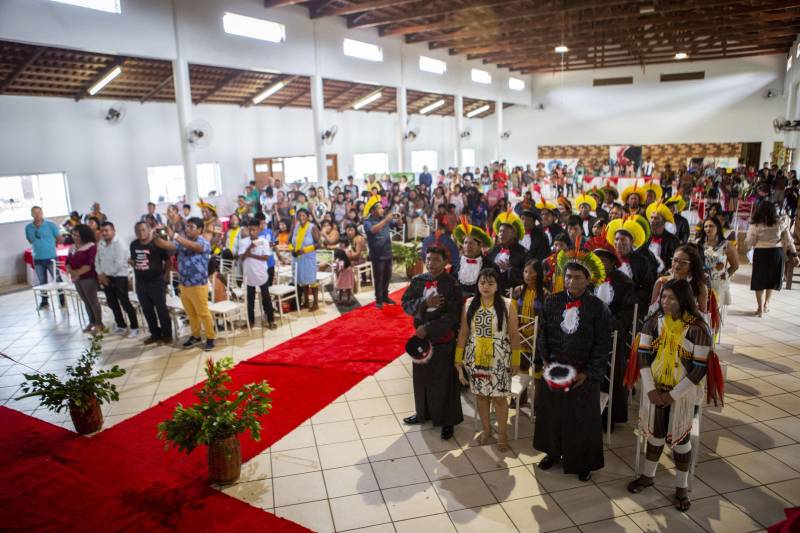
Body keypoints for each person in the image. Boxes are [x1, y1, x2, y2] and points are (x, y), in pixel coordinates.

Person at [625, 279, 721, 511]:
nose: (665, 302)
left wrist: (671, 396)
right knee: (655, 436)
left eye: (672, 298)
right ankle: (648, 476)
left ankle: (681, 487)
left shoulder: (698, 328)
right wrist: (650, 390)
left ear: (684, 300)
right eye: (663, 297)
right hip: (655, 389)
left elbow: (698, 370)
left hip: (683, 393)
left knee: (680, 440)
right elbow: (644, 357)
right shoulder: (653, 323)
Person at [534, 248, 611, 482]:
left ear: (588, 279)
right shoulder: (553, 301)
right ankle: (552, 453)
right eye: (568, 276)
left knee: (581, 419)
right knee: (552, 414)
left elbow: (601, 344)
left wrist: (587, 373)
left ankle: (582, 461)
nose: (571, 281)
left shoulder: (598, 307)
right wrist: (546, 361)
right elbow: (543, 334)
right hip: (555, 369)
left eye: (577, 277)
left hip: (583, 374)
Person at [401, 246, 464, 440]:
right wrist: (424, 303)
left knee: (444, 382)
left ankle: (447, 421)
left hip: (442, 339)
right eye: (428, 259)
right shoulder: (418, 281)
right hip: (421, 339)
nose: (431, 263)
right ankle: (423, 413)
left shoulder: (452, 284)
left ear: (446, 262)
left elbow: (453, 316)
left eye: (436, 260)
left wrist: (428, 328)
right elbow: (405, 303)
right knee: (422, 380)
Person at [455, 268, 521, 451]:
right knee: (481, 397)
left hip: (499, 358)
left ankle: (502, 435)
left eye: (490, 283)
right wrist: (458, 358)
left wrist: (516, 361)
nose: (485, 287)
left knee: (499, 398)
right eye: (482, 282)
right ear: (477, 284)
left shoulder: (508, 304)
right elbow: (463, 332)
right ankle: (486, 430)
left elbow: (515, 335)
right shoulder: (469, 304)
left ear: (497, 285)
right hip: (475, 357)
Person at [585, 234, 635, 427]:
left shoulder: (624, 283)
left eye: (605, 259)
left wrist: (608, 324)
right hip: (590, 336)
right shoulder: (589, 280)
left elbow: (626, 314)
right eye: (598, 260)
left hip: (613, 336)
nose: (602, 263)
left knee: (612, 374)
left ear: (613, 262)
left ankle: (609, 417)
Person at [155, 217, 216, 351]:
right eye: (187, 226)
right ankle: (196, 336)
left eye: (191, 227)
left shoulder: (203, 242)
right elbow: (166, 245)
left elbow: (195, 247)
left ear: (200, 230)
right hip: (184, 284)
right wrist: (154, 235)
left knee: (203, 313)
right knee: (191, 313)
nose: (187, 229)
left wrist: (175, 235)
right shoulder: (183, 242)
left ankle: (210, 337)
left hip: (198, 285)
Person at [745, 200, 798, 316]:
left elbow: (750, 241)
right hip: (776, 253)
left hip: (760, 253)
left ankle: (759, 308)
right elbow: (789, 240)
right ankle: (767, 304)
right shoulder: (780, 223)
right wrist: (795, 255)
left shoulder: (755, 225)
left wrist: (753, 245)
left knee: (759, 280)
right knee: (772, 280)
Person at [511, 258, 547, 410]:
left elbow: (546, 319)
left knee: (538, 369)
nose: (527, 275)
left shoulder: (545, 294)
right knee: (522, 367)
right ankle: (520, 396)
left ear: (538, 274)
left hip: (537, 338)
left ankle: (538, 400)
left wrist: (536, 336)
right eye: (525, 271)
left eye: (531, 272)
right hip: (520, 335)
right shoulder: (518, 290)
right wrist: (517, 333)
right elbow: (511, 314)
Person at [130, 222, 172, 344]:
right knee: (147, 310)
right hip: (141, 283)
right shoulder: (134, 244)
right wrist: (132, 262)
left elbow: (168, 261)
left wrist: (165, 277)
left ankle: (167, 334)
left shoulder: (157, 243)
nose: (141, 233)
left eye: (143, 230)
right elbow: (134, 259)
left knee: (161, 309)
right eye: (138, 231)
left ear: (149, 230)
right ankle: (155, 333)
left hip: (156, 281)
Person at [95, 222, 139, 338]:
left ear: (113, 231)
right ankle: (121, 325)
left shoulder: (119, 243)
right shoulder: (101, 243)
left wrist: (104, 275)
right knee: (112, 303)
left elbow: (119, 263)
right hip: (106, 277)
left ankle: (134, 327)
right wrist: (100, 274)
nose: (104, 233)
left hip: (119, 277)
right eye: (102, 230)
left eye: (107, 230)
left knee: (125, 303)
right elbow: (97, 260)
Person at [238, 220, 277, 329]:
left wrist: (251, 255)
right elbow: (242, 258)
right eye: (249, 229)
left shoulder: (263, 241)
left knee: (266, 297)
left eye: (254, 230)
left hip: (261, 273)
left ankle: (271, 320)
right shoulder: (243, 242)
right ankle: (250, 321)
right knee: (250, 300)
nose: (251, 232)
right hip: (249, 274)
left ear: (259, 230)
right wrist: (250, 248)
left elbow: (266, 257)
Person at [66, 224, 104, 334]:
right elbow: (67, 261)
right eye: (73, 235)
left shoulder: (91, 246)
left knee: (93, 301)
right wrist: (71, 272)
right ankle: (91, 322)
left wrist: (77, 273)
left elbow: (90, 264)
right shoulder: (72, 247)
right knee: (86, 301)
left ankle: (99, 323)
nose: (74, 237)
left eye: (77, 235)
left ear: (84, 235)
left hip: (88, 277)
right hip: (76, 278)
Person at [25, 206, 64, 309]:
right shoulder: (28, 227)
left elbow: (59, 238)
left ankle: (62, 301)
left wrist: (49, 246)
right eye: (34, 213)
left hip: (51, 257)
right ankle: (45, 302)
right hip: (37, 258)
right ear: (31, 214)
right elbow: (30, 240)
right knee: (42, 282)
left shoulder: (50, 225)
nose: (37, 215)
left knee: (58, 279)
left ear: (42, 213)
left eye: (39, 212)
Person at [363, 195, 398, 309]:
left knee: (387, 277)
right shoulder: (368, 222)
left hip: (388, 252)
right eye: (379, 208)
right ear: (372, 211)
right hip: (377, 254)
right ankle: (378, 300)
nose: (382, 209)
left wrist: (400, 218)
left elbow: (399, 224)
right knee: (379, 278)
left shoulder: (384, 219)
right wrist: (386, 220)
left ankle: (385, 296)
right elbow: (373, 230)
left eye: (382, 208)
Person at [697, 217, 739, 308]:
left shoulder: (727, 245)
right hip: (702, 282)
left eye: (711, 226)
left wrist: (725, 276)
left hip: (718, 283)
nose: (708, 229)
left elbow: (735, 265)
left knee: (715, 313)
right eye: (706, 226)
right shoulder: (699, 244)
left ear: (718, 228)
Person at [487, 211, 527, 295]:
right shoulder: (493, 250)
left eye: (504, 231)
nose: (501, 234)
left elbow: (527, 275)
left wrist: (510, 270)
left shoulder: (523, 252)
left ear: (514, 234)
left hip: (512, 294)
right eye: (500, 231)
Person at [291, 208, 322, 311]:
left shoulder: (312, 227)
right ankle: (306, 301)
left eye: (304, 215)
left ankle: (316, 303)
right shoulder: (296, 227)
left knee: (312, 281)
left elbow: (319, 244)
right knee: (303, 281)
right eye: (299, 216)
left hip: (308, 258)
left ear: (308, 217)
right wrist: (293, 250)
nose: (301, 218)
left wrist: (304, 250)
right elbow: (291, 241)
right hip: (298, 258)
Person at [453, 219, 492, 299]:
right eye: (465, 243)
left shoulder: (490, 266)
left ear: (480, 245)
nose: (467, 246)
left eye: (471, 243)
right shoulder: (456, 265)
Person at [645, 203, 679, 276]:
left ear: (664, 221)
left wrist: (666, 273)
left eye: (656, 218)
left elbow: (676, 261)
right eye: (651, 217)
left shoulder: (673, 240)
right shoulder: (645, 239)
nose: (652, 221)